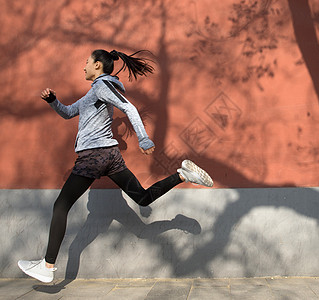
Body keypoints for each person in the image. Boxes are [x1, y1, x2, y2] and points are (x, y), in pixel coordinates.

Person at [17, 49, 213, 283]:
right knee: (142, 198)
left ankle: (47, 266)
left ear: (98, 65)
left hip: (93, 156)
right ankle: (182, 175)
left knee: (61, 206)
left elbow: (128, 107)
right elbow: (69, 113)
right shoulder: (93, 93)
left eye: (87, 62)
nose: (84, 67)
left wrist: (143, 138)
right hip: (109, 157)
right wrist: (52, 101)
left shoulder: (102, 87)